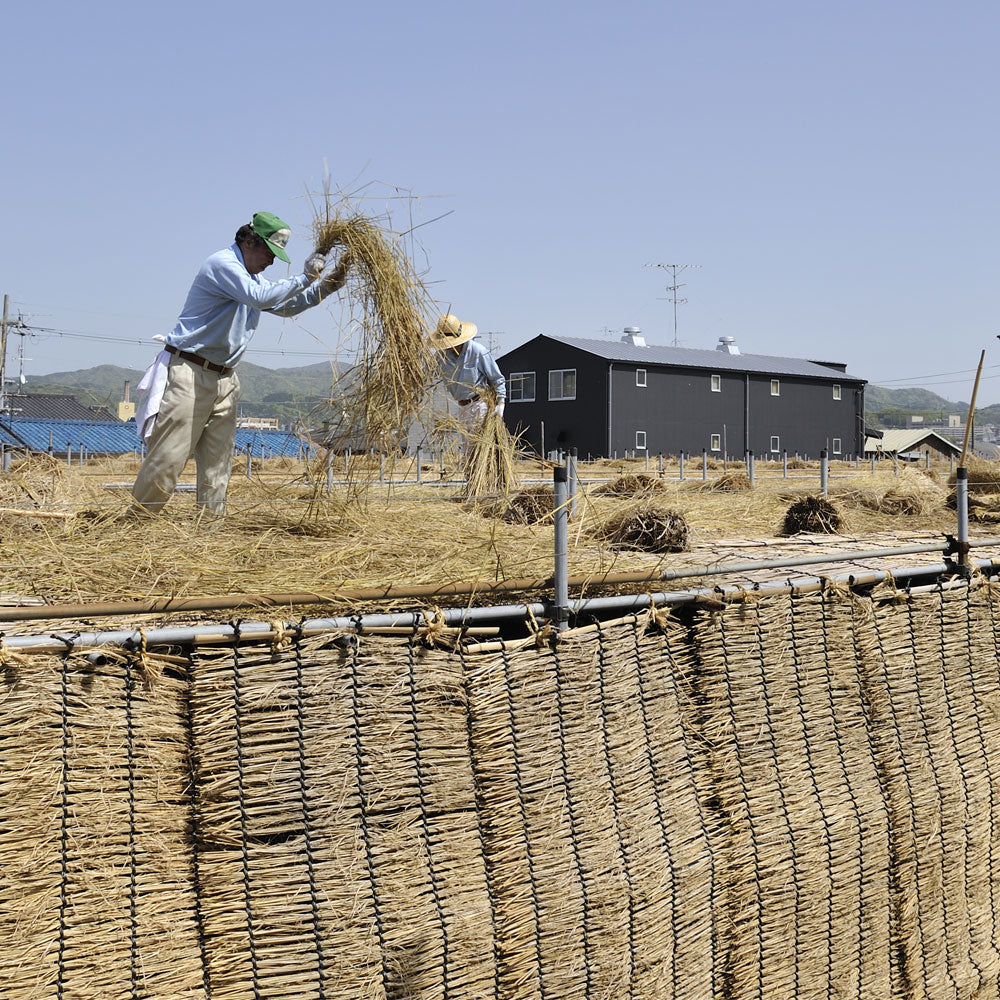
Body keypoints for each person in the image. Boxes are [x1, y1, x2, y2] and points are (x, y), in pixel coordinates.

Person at [131, 211, 348, 515]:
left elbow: (285, 305)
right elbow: (260, 297)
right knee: (168, 458)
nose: (271, 261)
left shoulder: (252, 278)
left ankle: (210, 528)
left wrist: (326, 287)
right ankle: (139, 522)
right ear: (248, 241)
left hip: (225, 378)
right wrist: (306, 277)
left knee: (218, 465)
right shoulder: (223, 265)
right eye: (268, 252)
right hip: (190, 373)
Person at [430, 313, 506, 432]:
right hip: (462, 407)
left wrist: (501, 403)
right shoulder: (441, 356)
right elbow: (426, 373)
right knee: (467, 443)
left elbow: (496, 378)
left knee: (478, 441)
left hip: (479, 405)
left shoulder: (477, 351)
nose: (448, 346)